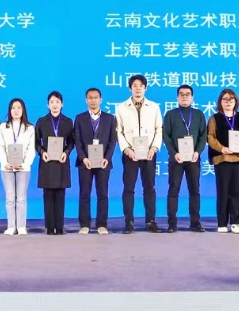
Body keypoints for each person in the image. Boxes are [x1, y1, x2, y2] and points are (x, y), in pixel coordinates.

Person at [115, 74, 164, 233]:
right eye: (134, 86)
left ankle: (150, 221)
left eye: (141, 86)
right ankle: (129, 221)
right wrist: (126, 149)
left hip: (149, 153)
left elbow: (159, 129)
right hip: (130, 153)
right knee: (129, 188)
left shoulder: (154, 107)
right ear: (130, 88)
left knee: (149, 187)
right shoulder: (121, 107)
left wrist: (154, 148)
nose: (138, 88)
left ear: (145, 88)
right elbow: (119, 131)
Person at [206, 88, 239, 233]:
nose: (228, 102)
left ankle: (236, 223)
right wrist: (222, 149)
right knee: (223, 192)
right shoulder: (215, 118)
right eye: (225, 99)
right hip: (223, 159)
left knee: (237, 192)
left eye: (231, 99)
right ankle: (222, 223)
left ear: (235, 102)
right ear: (220, 102)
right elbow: (210, 137)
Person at [162, 84, 207, 233]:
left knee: (194, 190)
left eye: (187, 94)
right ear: (177, 97)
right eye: (181, 94)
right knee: (173, 190)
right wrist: (173, 153)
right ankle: (172, 223)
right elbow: (166, 136)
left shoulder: (199, 114)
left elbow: (203, 136)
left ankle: (195, 222)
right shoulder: (170, 114)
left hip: (193, 159)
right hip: (176, 159)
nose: (184, 96)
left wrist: (198, 152)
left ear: (192, 97)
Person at [74, 87, 117, 234]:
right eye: (90, 98)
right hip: (85, 162)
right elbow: (77, 140)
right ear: (86, 100)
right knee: (84, 194)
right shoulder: (80, 118)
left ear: (101, 100)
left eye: (96, 97)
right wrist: (83, 158)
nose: (93, 100)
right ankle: (84, 224)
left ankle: (101, 224)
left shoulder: (110, 118)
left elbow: (113, 141)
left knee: (102, 194)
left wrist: (107, 158)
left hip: (103, 162)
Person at [35, 91, 74, 235]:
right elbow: (36, 142)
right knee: (48, 195)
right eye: (52, 102)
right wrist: (42, 152)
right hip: (47, 162)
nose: (55, 105)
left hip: (62, 161)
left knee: (60, 195)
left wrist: (66, 152)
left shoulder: (68, 121)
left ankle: (60, 226)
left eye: (57, 102)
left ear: (62, 104)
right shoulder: (42, 121)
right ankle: (50, 227)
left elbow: (72, 141)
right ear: (48, 105)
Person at [0, 98, 36, 235]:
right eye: (13, 108)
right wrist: (5, 163)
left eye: (19, 108)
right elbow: (0, 147)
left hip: (23, 168)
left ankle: (21, 226)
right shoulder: (3, 127)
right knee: (10, 197)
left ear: (23, 110)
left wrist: (24, 164)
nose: (16, 110)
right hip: (6, 168)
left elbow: (31, 149)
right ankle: (11, 226)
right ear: (9, 110)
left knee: (21, 197)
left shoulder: (29, 128)